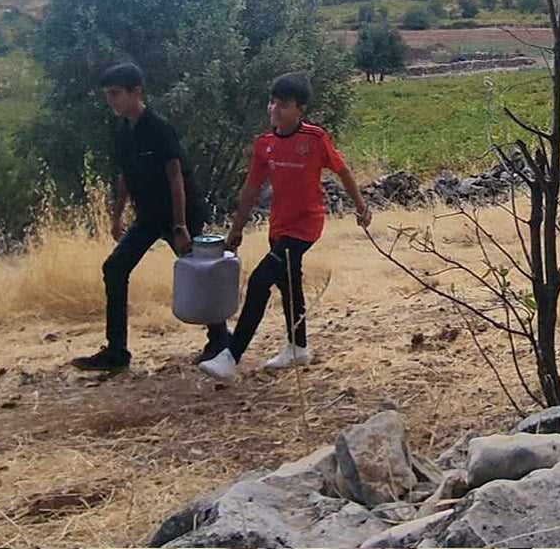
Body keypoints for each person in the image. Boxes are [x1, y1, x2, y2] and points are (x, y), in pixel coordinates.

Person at [199, 72, 369, 379]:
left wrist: (361, 207)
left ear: (300, 109)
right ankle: (298, 347)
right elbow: (251, 189)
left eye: (284, 105)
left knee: (259, 281)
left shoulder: (314, 139)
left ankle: (231, 356)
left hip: (305, 227)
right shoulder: (264, 144)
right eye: (272, 102)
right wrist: (236, 229)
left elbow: (342, 171)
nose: (274, 109)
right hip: (278, 227)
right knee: (289, 284)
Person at [71, 61, 229, 373]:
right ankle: (117, 352)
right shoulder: (122, 131)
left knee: (199, 273)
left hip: (179, 214)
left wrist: (180, 226)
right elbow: (124, 177)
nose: (111, 100)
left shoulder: (158, 128)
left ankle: (220, 341)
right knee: (114, 268)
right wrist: (117, 216)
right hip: (148, 216)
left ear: (136, 92)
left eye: (116, 93)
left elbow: (175, 177)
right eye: (108, 94)